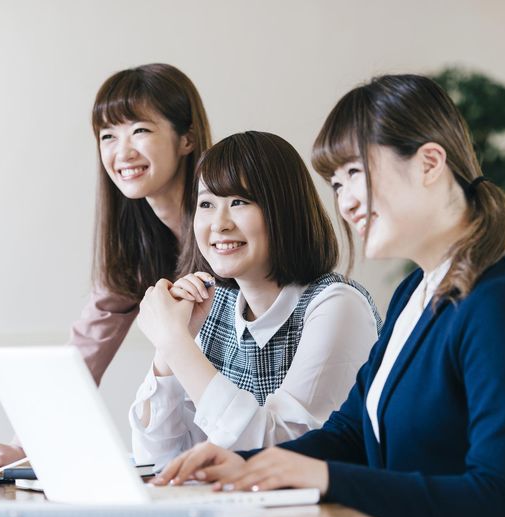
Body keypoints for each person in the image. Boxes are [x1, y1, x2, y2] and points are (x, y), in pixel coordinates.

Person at [152, 75, 505, 517]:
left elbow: (501, 501)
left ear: (429, 163)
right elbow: (352, 434)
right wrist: (245, 463)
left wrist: (325, 477)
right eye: (335, 182)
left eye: (355, 173)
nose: (345, 201)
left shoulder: (501, 304)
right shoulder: (416, 291)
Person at [0, 63, 212, 471]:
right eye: (107, 136)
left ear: (187, 139)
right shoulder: (136, 245)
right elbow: (84, 355)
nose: (121, 152)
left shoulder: (225, 235)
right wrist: (24, 447)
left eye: (140, 131)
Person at [131, 131, 380, 469]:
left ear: (284, 210)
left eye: (239, 202)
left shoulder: (337, 305)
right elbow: (158, 457)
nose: (219, 224)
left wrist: (176, 344)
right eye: (206, 204)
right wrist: (169, 349)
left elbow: (279, 450)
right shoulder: (214, 305)